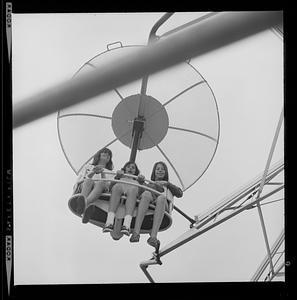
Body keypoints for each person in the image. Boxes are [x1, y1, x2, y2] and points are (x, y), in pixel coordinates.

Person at [129, 161, 183, 248]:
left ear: (165, 172)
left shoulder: (167, 186)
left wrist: (167, 184)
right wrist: (141, 182)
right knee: (146, 194)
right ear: (154, 172)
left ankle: (153, 237)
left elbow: (180, 193)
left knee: (161, 198)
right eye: (158, 169)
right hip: (150, 203)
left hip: (162, 205)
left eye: (162, 169)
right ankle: (136, 232)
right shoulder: (150, 184)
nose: (160, 171)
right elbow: (140, 192)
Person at [70, 147, 114, 219]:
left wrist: (102, 172)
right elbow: (83, 178)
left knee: (101, 183)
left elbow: (107, 185)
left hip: (100, 188)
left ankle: (83, 205)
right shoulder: (88, 166)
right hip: (86, 185)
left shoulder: (111, 173)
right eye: (104, 152)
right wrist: (93, 172)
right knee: (89, 180)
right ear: (99, 155)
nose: (107, 154)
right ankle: (85, 204)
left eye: (109, 155)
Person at [103, 161, 145, 236]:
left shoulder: (136, 181)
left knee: (133, 189)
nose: (130, 169)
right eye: (128, 167)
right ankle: (109, 222)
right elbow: (110, 187)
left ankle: (126, 225)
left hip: (132, 192)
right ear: (125, 168)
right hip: (119, 189)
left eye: (133, 168)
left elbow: (141, 192)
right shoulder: (120, 178)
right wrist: (117, 177)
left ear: (135, 171)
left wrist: (141, 182)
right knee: (117, 187)